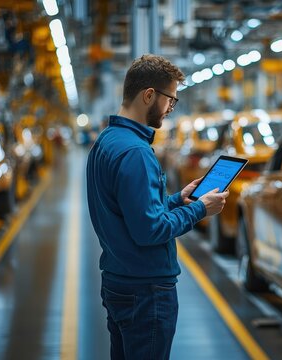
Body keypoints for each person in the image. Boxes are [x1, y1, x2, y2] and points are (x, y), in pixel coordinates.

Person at [86, 54, 229, 360]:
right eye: (170, 100)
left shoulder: (107, 141)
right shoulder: (136, 153)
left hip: (119, 281)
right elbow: (150, 230)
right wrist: (200, 209)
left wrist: (178, 200)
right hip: (145, 292)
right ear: (149, 95)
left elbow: (130, 211)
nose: (170, 109)